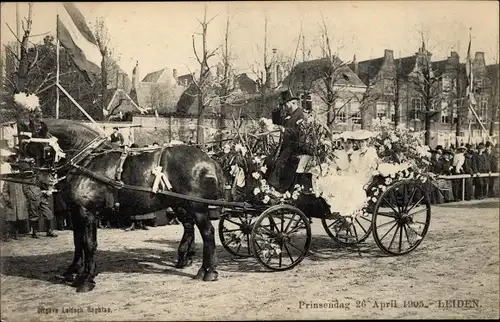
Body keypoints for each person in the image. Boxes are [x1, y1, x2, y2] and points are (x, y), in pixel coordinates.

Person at [314, 130, 379, 216]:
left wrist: (360, 178)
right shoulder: (355, 154)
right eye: (359, 142)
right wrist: (343, 174)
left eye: (362, 142)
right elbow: (351, 169)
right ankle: (333, 206)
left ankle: (345, 209)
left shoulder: (371, 152)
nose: (360, 144)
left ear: (367, 142)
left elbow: (371, 170)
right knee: (335, 179)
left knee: (347, 182)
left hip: (364, 177)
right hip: (354, 176)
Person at [267, 91, 309, 193]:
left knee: (281, 162)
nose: (285, 106)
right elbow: (276, 121)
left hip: (296, 147)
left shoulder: (301, 115)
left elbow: (300, 132)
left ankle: (277, 188)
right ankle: (270, 186)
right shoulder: (289, 115)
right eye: (284, 104)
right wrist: (278, 107)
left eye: (286, 104)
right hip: (286, 147)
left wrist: (285, 130)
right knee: (269, 160)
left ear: (293, 103)